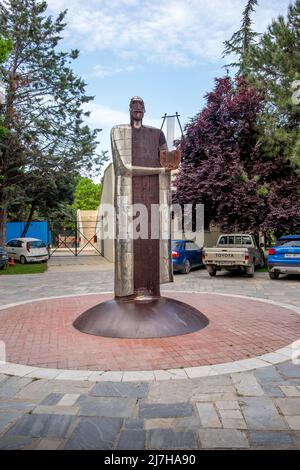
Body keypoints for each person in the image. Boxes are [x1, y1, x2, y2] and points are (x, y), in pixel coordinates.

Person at [111, 96, 181, 299]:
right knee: (130, 242)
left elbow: (166, 160)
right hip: (129, 198)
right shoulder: (118, 132)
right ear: (129, 109)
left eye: (141, 106)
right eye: (134, 106)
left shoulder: (157, 134)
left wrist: (174, 158)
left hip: (152, 197)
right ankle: (128, 292)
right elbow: (124, 168)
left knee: (152, 241)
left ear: (145, 109)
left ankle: (152, 288)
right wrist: (158, 170)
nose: (137, 109)